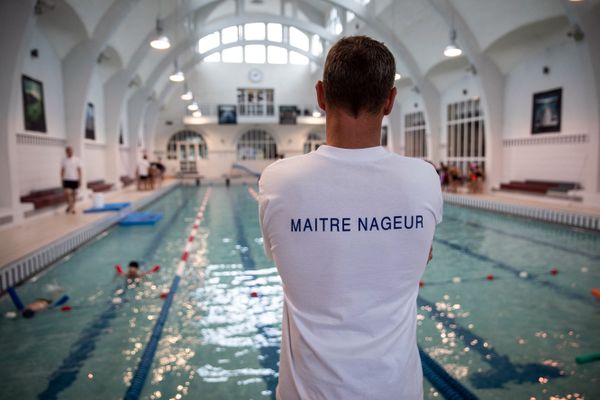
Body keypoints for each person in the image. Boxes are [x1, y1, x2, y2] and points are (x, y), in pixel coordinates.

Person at [259, 36, 443, 399]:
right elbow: (421, 254)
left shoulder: (278, 180)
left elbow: (282, 254)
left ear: (321, 95)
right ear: (390, 100)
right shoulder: (423, 178)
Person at [61, 146, 82, 214]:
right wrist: (61, 179)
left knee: (74, 194)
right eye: (68, 151)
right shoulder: (64, 160)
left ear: (72, 151)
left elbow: (79, 170)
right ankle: (70, 205)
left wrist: (80, 179)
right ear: (66, 152)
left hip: (75, 179)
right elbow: (62, 170)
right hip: (67, 179)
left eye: (71, 151)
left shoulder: (76, 159)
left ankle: (73, 208)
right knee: (67, 193)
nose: (69, 152)